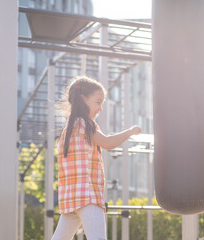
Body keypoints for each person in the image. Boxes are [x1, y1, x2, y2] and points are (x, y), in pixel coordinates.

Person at [52, 76, 141, 240]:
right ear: (83, 99)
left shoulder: (69, 127)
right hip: (88, 194)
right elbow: (107, 143)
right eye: (98, 102)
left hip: (71, 196)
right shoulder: (85, 124)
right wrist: (129, 132)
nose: (100, 108)